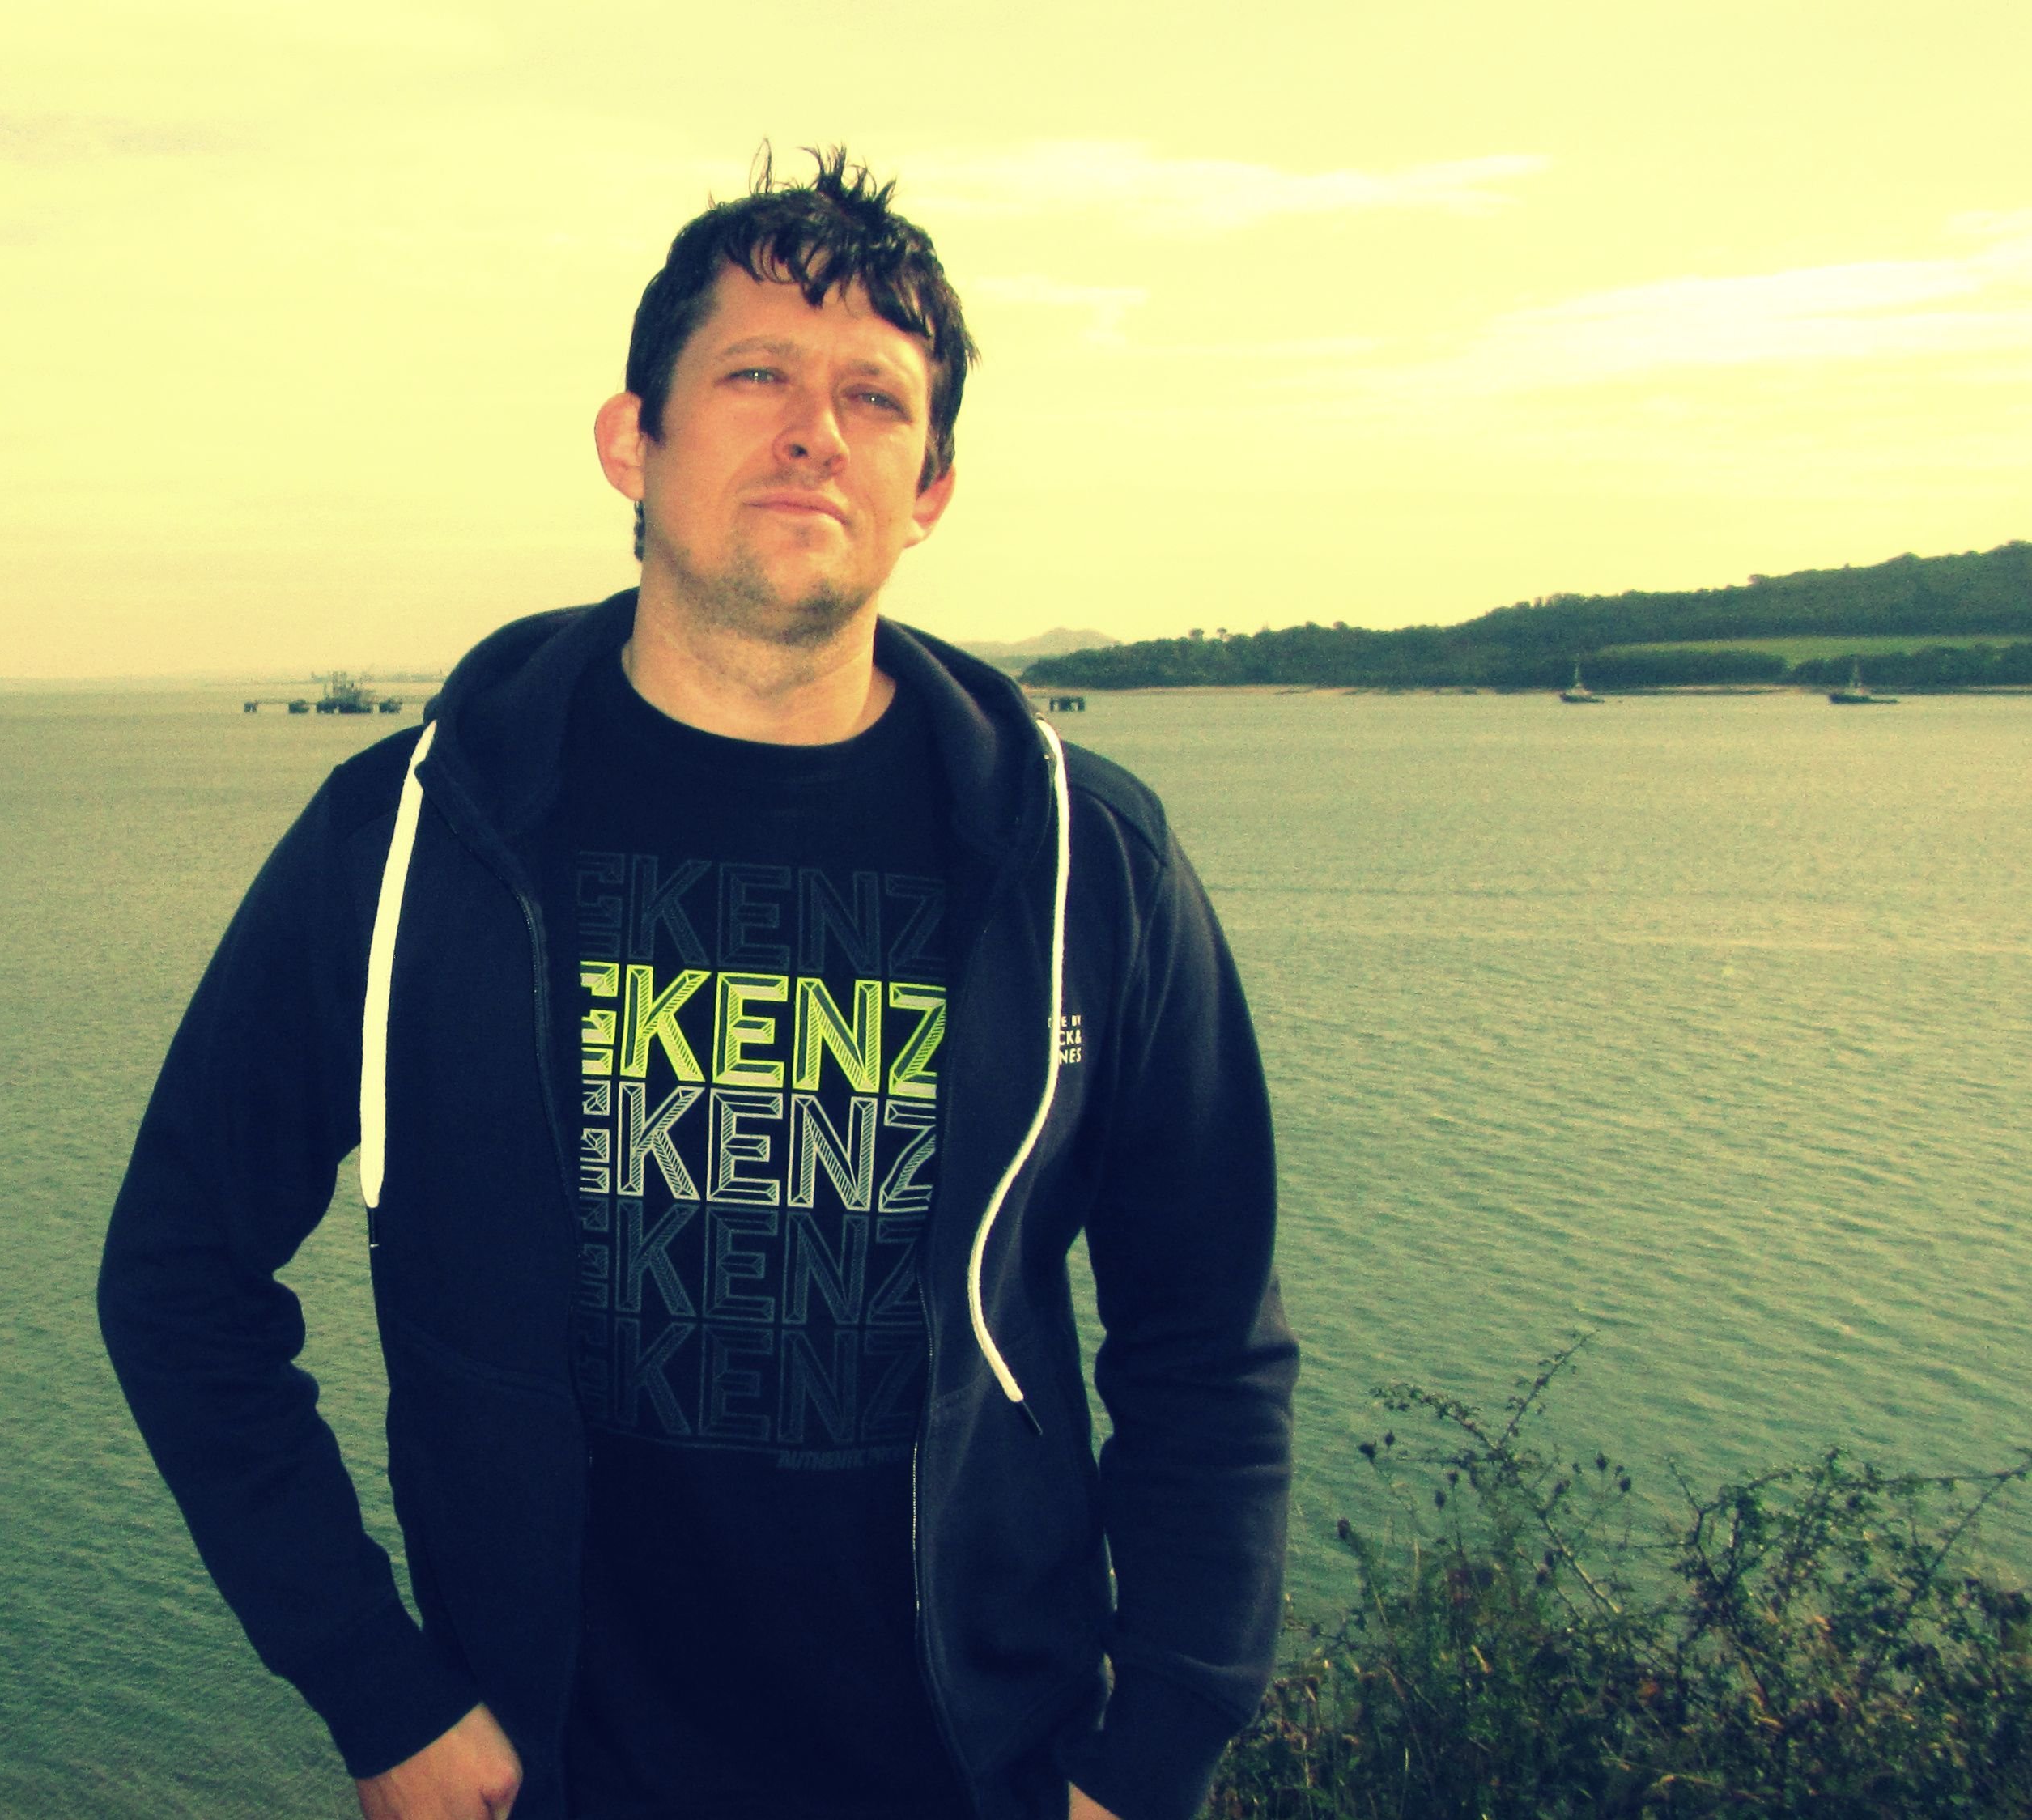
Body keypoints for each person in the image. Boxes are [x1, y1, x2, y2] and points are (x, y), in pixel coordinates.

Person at [96, 149, 1294, 1820]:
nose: (814, 428)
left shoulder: (1084, 862)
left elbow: (1203, 1340)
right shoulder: (413, 838)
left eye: (874, 399)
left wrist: (1147, 1753)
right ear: (629, 444)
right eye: (754, 375)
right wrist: (377, 1687)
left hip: (977, 1778)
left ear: (929, 486)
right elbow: (174, 1273)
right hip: (552, 1775)